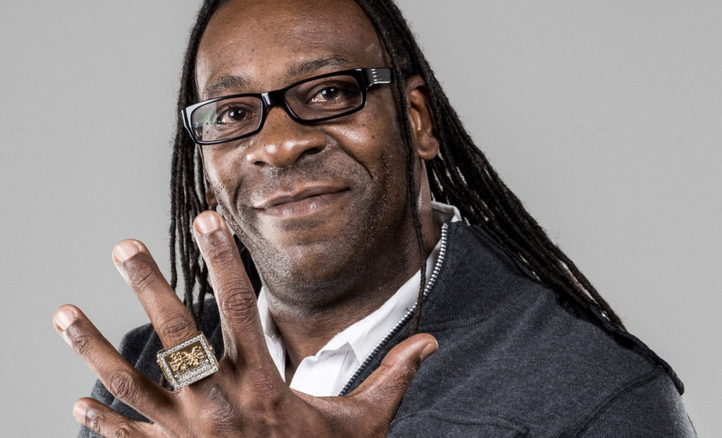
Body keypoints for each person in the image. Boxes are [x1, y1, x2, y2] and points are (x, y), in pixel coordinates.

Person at [54, 0, 696, 436]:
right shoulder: (154, 376)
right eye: (231, 113)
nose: (276, 144)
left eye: (331, 92)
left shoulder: (591, 395)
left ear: (415, 119)